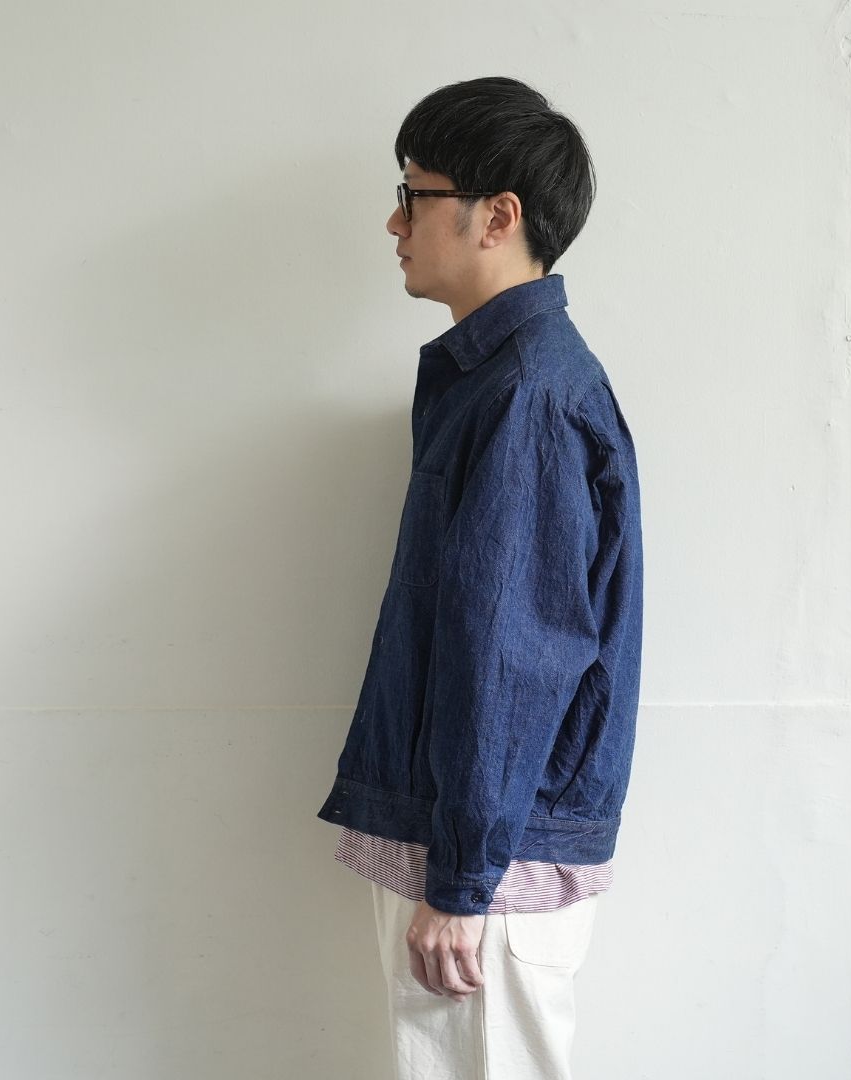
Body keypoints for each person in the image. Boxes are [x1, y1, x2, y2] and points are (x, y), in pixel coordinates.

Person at [317, 75, 644, 1080]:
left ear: (496, 215)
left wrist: (461, 879)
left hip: (486, 864)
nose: (395, 222)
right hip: (475, 842)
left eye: (415, 196)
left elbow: (514, 653)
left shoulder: (527, 395)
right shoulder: (496, 381)